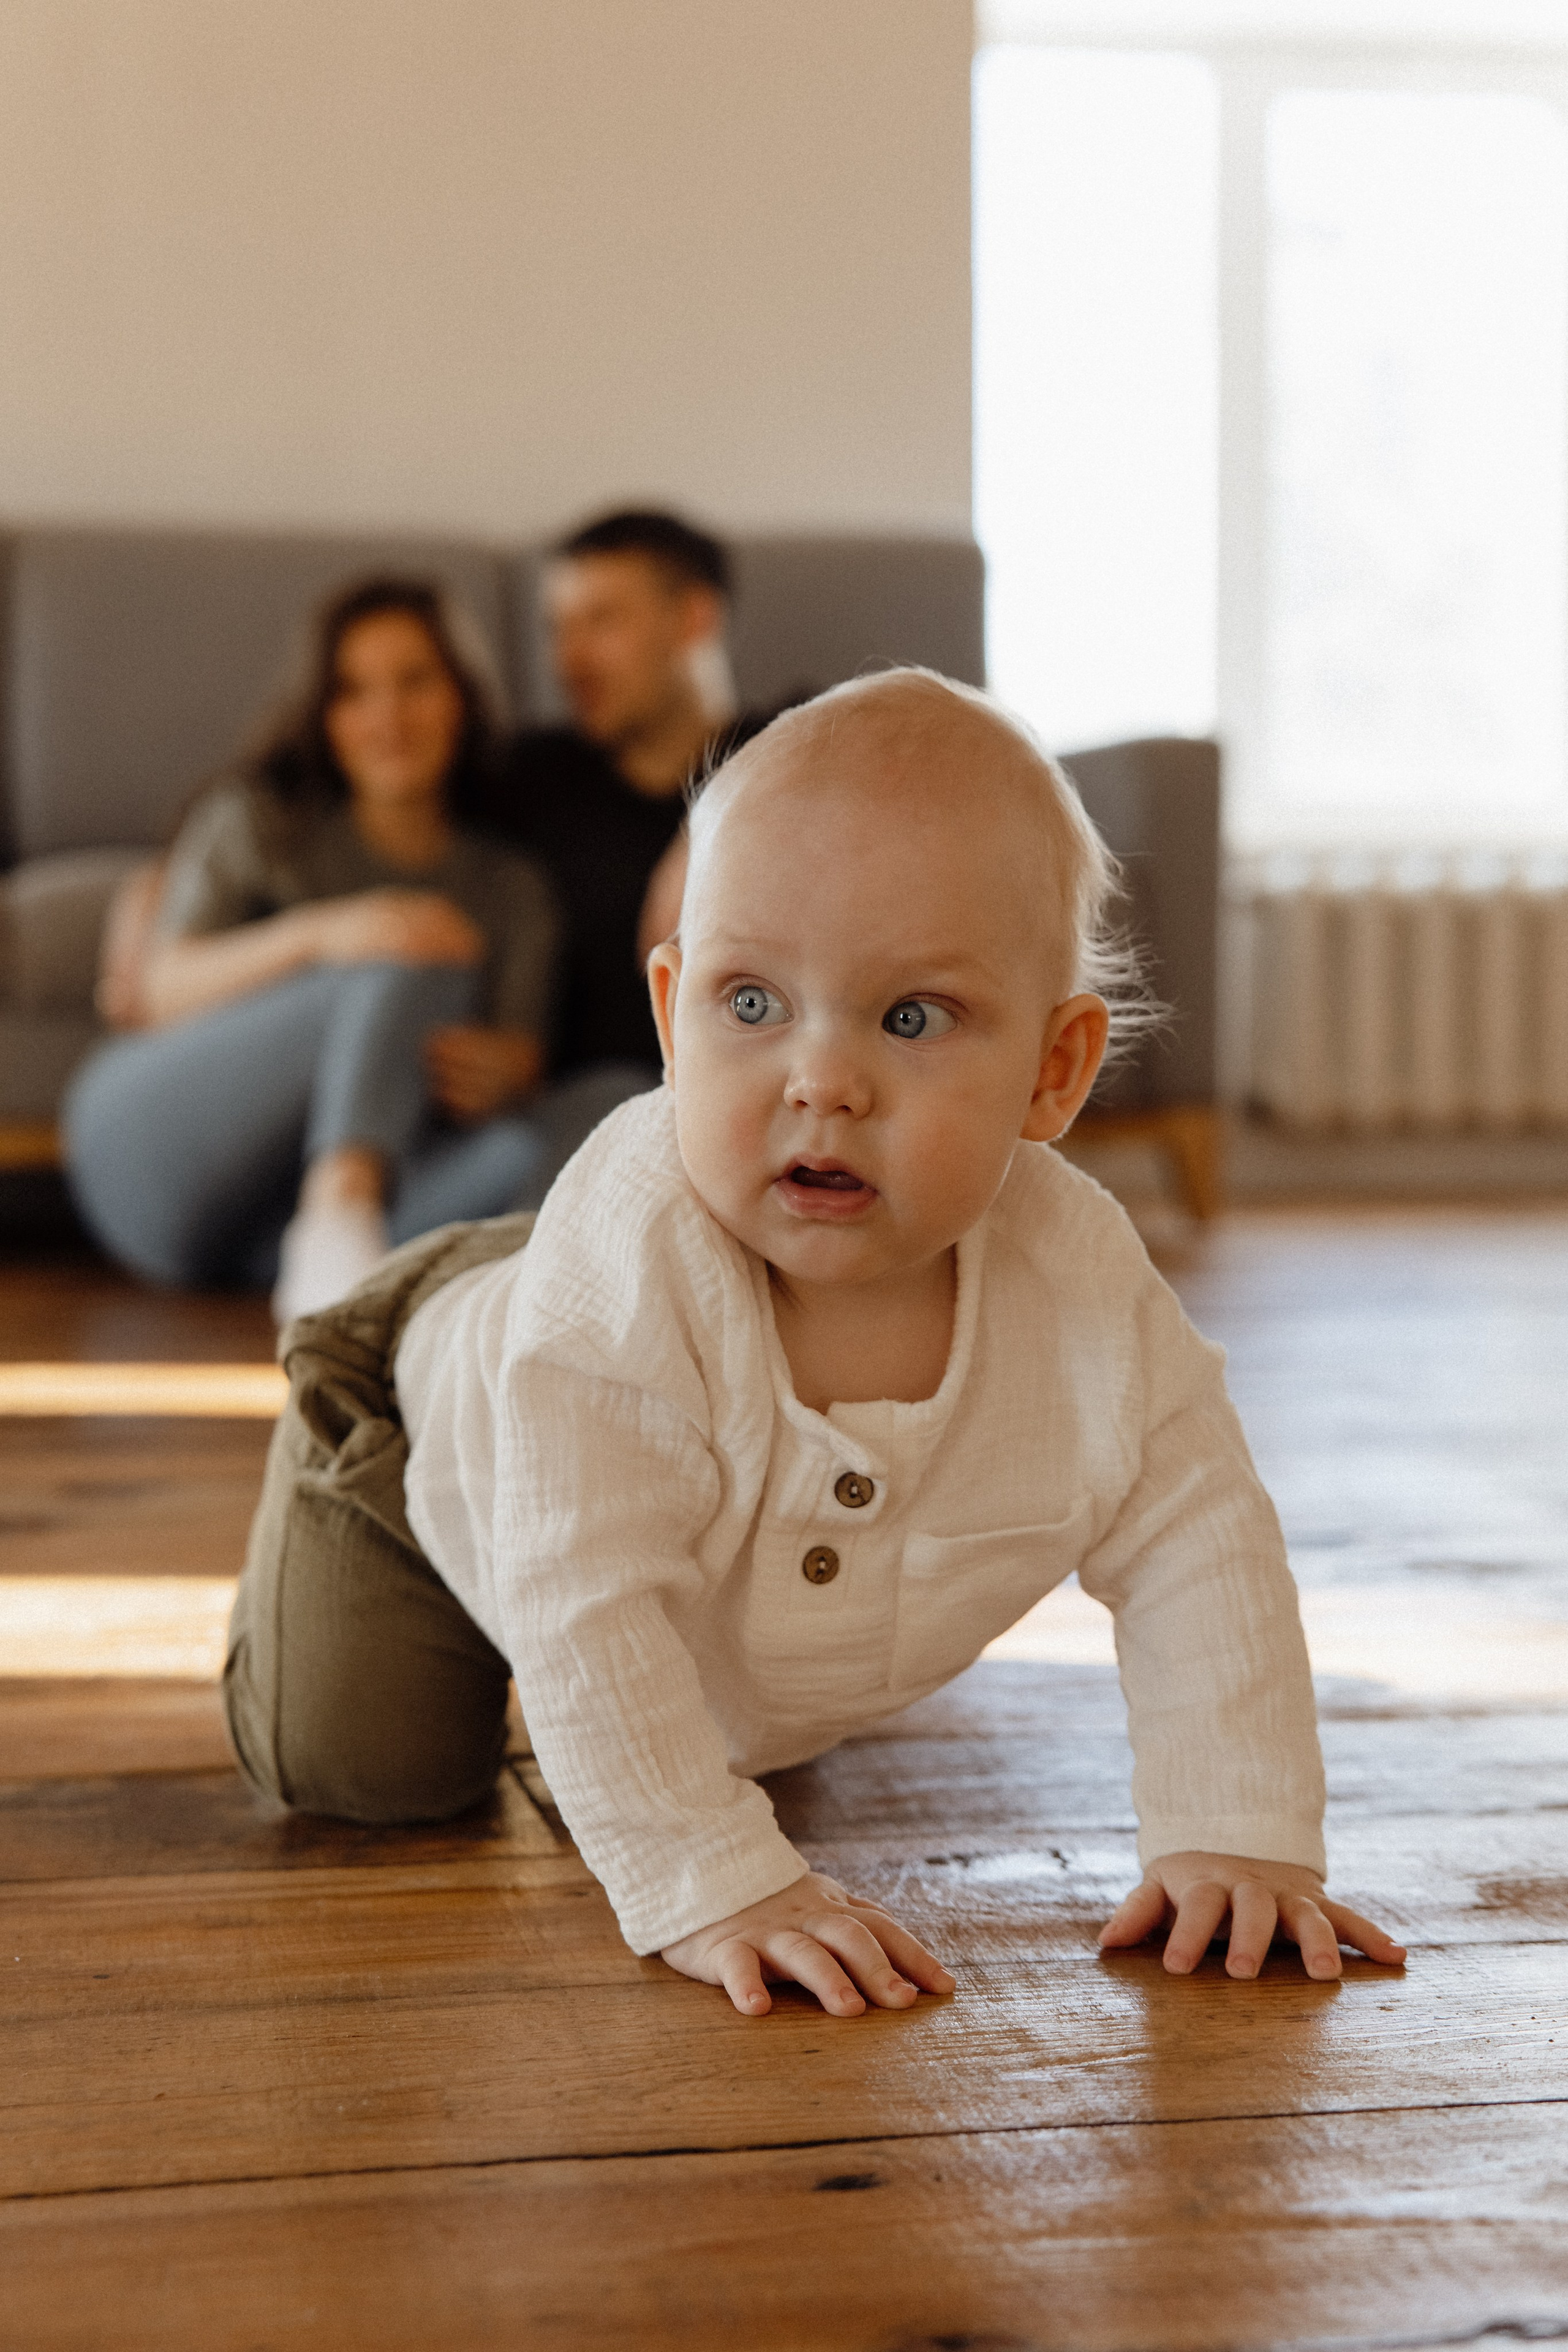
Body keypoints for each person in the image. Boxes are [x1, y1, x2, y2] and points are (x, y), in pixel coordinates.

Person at [224, 668, 1406, 2015]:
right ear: (670, 1018)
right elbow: (582, 1589)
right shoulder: (628, 1264)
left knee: (712, 1717)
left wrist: (1233, 1828)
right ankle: (455, 1498)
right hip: (422, 1418)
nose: (820, 1082)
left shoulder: (1079, 1284)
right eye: (750, 1003)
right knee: (364, 1772)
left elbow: (1200, 1536)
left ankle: (620, 1732)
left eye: (910, 1018)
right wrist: (710, 1873)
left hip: (632, 1462)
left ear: (1055, 1071)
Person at [66, 578, 565, 1322]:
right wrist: (330, 933)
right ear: (325, 715)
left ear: (462, 697)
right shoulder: (260, 821)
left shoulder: (512, 886)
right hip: (153, 1151)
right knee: (413, 944)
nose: (387, 716)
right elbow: (160, 992)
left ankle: (333, 1244)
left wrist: (504, 1073)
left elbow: (521, 1055)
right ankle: (341, 1203)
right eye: (354, 692)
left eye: (415, 683)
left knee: (535, 1151)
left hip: (255, 1239)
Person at [472, 508, 772, 1090]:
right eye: (559, 628)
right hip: (574, 1109)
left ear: (695, 617)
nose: (569, 659)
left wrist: (720, 816)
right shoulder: (536, 773)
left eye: (601, 622)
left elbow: (894, 735)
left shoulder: (783, 752)